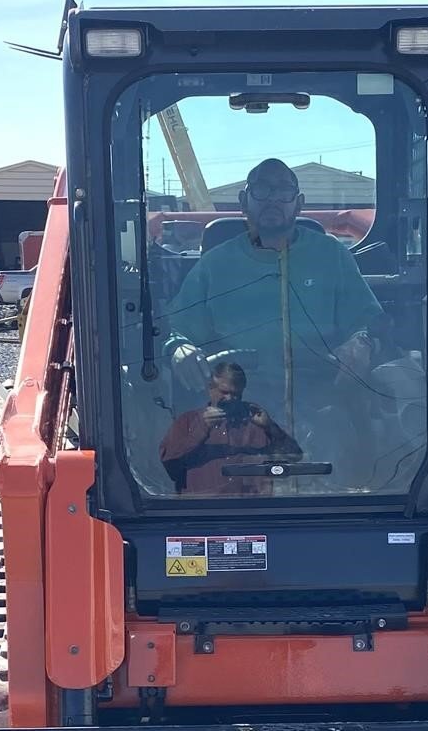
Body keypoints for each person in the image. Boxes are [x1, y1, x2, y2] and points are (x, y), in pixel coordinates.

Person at [159, 158, 381, 409]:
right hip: (238, 400)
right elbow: (174, 330)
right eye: (262, 189)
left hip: (325, 396)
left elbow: (369, 322)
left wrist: (361, 343)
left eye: (285, 191)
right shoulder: (214, 265)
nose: (273, 199)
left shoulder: (332, 255)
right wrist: (179, 348)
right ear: (243, 201)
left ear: (299, 204)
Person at [158, 359, 300, 495]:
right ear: (210, 389)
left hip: (251, 512)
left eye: (236, 394)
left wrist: (270, 427)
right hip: (201, 512)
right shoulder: (188, 421)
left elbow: (294, 457)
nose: (230, 399)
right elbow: (170, 464)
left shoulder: (257, 424)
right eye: (224, 392)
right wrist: (202, 428)